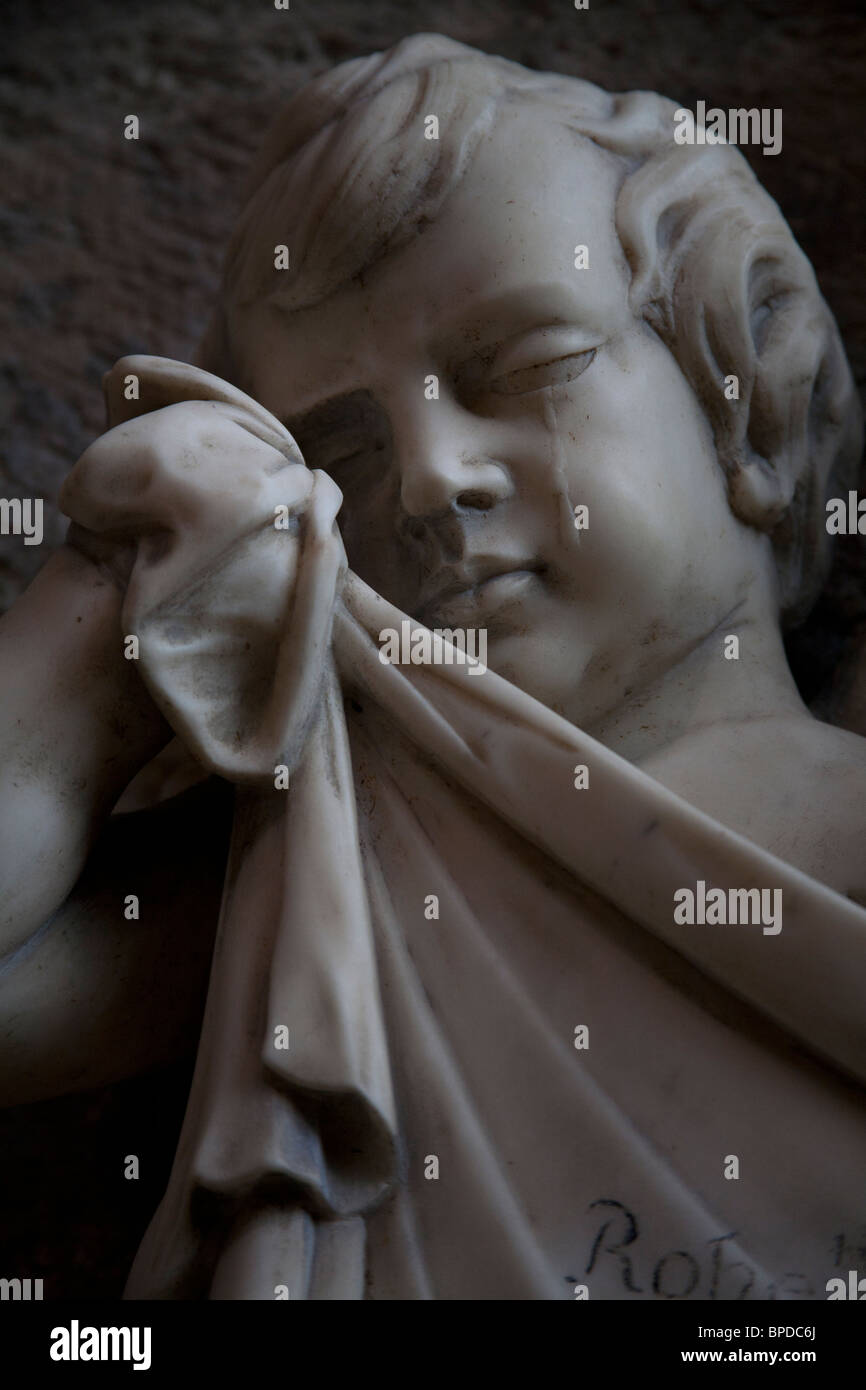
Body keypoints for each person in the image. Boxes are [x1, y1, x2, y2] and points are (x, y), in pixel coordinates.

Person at [1, 33, 865, 1300]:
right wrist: (116, 609)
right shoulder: (319, 870)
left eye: (525, 366)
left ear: (745, 398)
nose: (420, 479)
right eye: (334, 454)